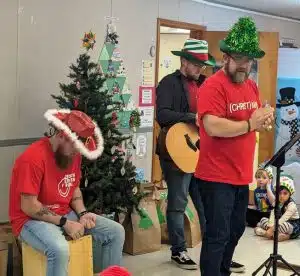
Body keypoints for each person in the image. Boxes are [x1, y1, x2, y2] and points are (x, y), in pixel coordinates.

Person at [194, 17, 275, 276]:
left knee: (237, 228)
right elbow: (212, 126)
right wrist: (251, 124)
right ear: (226, 57)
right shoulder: (213, 85)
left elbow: (252, 119)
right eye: (239, 58)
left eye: (249, 60)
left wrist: (263, 119)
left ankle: (221, 271)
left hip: (241, 175)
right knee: (217, 234)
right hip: (216, 175)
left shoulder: (250, 86)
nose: (244, 65)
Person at [9, 109, 125, 276]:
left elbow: (73, 187)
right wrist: (65, 223)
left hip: (63, 214)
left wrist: (83, 213)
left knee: (115, 232)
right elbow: (29, 206)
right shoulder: (32, 158)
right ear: (61, 135)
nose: (78, 152)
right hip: (29, 220)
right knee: (59, 249)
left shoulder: (72, 155)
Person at [156, 38, 215, 270]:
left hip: (200, 152)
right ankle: (178, 250)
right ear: (183, 61)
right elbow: (163, 114)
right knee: (178, 202)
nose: (200, 69)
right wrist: (192, 118)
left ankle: (213, 249)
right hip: (176, 151)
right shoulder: (168, 83)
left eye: (202, 65)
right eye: (196, 64)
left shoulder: (206, 84)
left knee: (205, 203)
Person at [255, 175, 300, 241]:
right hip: (278, 223)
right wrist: (270, 225)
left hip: (291, 224)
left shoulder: (291, 205)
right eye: (279, 193)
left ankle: (285, 236)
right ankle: (274, 235)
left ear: (289, 194)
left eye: (285, 193)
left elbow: (283, 219)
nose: (282, 196)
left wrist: (271, 229)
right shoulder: (277, 202)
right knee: (263, 220)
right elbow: (273, 214)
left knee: (284, 225)